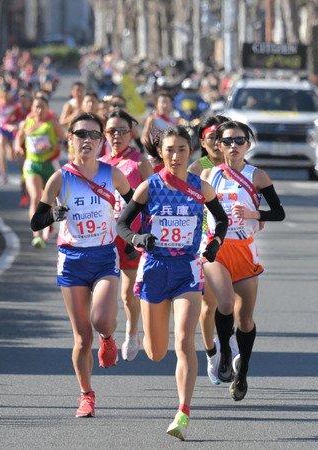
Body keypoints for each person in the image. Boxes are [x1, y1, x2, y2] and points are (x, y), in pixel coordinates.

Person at [116, 125, 228, 440]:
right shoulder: (149, 187)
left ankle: (182, 412)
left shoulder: (200, 187)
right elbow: (123, 224)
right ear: (160, 153)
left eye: (181, 149)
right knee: (155, 352)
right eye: (169, 150)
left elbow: (221, 218)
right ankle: (143, 337)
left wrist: (216, 241)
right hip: (153, 269)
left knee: (183, 342)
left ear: (190, 151)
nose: (176, 156)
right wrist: (138, 238)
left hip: (186, 270)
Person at [30, 112, 132, 418]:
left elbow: (135, 207)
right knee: (81, 338)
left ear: (102, 141)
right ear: (70, 139)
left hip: (103, 255)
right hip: (72, 260)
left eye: (93, 135)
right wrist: (55, 215)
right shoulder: (60, 178)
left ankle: (109, 338)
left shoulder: (112, 174)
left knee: (101, 320)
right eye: (81, 135)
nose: (87, 140)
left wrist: (131, 234)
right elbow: (37, 221)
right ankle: (86, 395)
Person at [200, 120, 285, 401]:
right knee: (223, 303)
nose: (233, 146)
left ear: (248, 144)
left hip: (245, 251)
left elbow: (279, 213)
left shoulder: (257, 175)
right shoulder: (208, 174)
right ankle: (224, 351)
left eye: (239, 141)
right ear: (219, 145)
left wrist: (253, 215)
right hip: (216, 250)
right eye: (227, 141)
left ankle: (243, 371)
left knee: (244, 319)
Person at [188, 114, 240, 385]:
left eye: (226, 139)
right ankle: (212, 353)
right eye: (213, 139)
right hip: (206, 242)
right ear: (204, 142)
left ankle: (229, 339)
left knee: (232, 299)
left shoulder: (239, 165)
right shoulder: (199, 168)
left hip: (239, 242)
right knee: (209, 304)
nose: (220, 144)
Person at [101, 110, 153, 361]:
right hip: (103, 236)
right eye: (111, 131)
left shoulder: (139, 162)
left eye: (122, 131)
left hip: (131, 235)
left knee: (127, 293)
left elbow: (155, 201)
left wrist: (143, 235)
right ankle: (106, 335)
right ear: (104, 134)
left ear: (131, 133)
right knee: (104, 292)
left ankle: (132, 332)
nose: (117, 136)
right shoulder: (99, 163)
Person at [15, 95, 64, 248]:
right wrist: (17, 146)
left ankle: (50, 221)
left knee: (49, 200)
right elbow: (19, 136)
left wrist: (50, 147)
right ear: (32, 108)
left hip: (49, 164)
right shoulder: (26, 123)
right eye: (36, 106)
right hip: (32, 165)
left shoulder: (52, 124)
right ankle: (36, 234)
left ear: (47, 108)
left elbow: (62, 142)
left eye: (42, 106)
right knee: (35, 197)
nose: (39, 110)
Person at [141, 91, 178, 172]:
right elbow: (144, 138)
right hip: (155, 158)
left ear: (171, 104)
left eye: (167, 102)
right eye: (162, 102)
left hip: (171, 157)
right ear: (157, 105)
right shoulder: (153, 119)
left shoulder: (175, 120)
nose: (165, 105)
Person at [59, 81, 85, 162]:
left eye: (81, 90)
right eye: (77, 90)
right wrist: (73, 116)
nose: (80, 93)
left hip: (86, 135)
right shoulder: (69, 105)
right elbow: (61, 122)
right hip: (73, 136)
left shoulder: (86, 103)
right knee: (73, 159)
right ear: (72, 92)